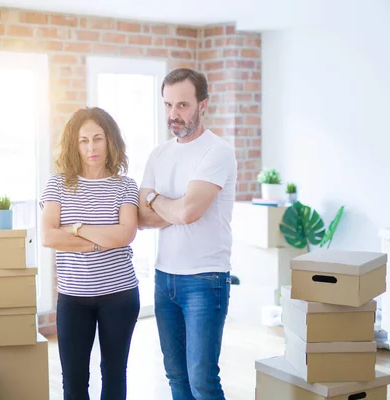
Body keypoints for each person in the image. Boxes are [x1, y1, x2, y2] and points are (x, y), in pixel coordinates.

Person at [138, 68, 237, 400]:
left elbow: (187, 212)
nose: (173, 115)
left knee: (202, 380)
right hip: (165, 279)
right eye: (167, 105)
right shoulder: (159, 154)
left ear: (203, 104)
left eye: (182, 105)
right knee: (176, 376)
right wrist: (176, 209)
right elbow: (141, 218)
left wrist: (158, 200)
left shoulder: (216, 151)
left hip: (205, 281)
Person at [40, 107, 140, 400]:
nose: (91, 147)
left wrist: (75, 228)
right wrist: (101, 241)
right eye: (84, 140)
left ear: (110, 141)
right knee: (73, 381)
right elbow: (48, 236)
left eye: (98, 138)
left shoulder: (125, 186)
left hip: (120, 295)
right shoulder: (58, 184)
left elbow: (125, 234)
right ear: (75, 144)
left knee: (114, 374)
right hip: (73, 298)